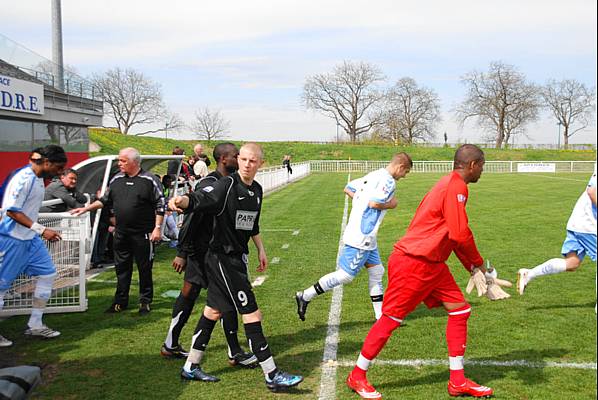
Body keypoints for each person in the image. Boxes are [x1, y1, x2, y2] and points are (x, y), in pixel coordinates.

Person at [346, 144, 494, 399]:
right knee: (390, 319)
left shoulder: (451, 184)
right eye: (482, 165)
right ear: (473, 165)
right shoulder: (455, 186)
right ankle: (357, 375)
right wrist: (479, 264)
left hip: (433, 264)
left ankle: (457, 382)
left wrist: (471, 267)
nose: (482, 170)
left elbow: (453, 234)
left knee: (460, 310)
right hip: (414, 263)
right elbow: (460, 234)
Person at [168, 143, 303, 391]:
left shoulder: (257, 190)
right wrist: (183, 201)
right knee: (252, 313)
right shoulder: (227, 185)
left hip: (237, 258)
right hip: (221, 259)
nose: (247, 164)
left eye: (253, 161)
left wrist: (260, 248)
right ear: (238, 160)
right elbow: (201, 199)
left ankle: (191, 366)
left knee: (213, 311)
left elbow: (251, 224)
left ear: (260, 163)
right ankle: (272, 374)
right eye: (243, 159)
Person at [161, 143, 258, 369]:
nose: (241, 159)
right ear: (224, 159)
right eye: (236, 156)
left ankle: (233, 351)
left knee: (223, 301)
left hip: (219, 253)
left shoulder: (234, 184)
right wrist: (183, 253)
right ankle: (171, 342)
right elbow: (192, 218)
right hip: (201, 252)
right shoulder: (210, 183)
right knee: (191, 294)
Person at [295, 153, 412, 321]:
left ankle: (381, 317)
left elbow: (349, 188)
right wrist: (391, 204)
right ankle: (305, 295)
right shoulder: (388, 181)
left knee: (377, 271)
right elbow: (374, 203)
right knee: (345, 275)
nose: (404, 176)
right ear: (400, 167)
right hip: (362, 236)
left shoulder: (374, 174)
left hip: (366, 236)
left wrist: (360, 202)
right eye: (405, 172)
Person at [71, 147, 165, 315]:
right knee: (122, 268)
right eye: (119, 160)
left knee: (144, 268)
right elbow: (105, 200)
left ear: (135, 162)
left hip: (143, 234)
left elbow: (160, 204)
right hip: (121, 233)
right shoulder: (117, 179)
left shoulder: (149, 180)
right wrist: (85, 209)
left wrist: (157, 228)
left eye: (123, 161)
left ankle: (145, 301)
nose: (119, 164)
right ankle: (120, 301)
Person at [0, 145, 67, 347]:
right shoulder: (23, 178)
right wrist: (41, 230)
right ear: (47, 163)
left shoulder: (38, 178)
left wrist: (36, 232)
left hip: (30, 239)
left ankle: (35, 324)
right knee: (1, 288)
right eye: (59, 167)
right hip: (11, 239)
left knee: (47, 274)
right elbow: (11, 211)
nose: (61, 172)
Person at [517, 164, 597, 296]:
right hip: (589, 224)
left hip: (578, 222)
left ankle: (529, 274)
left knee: (572, 263)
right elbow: (592, 191)